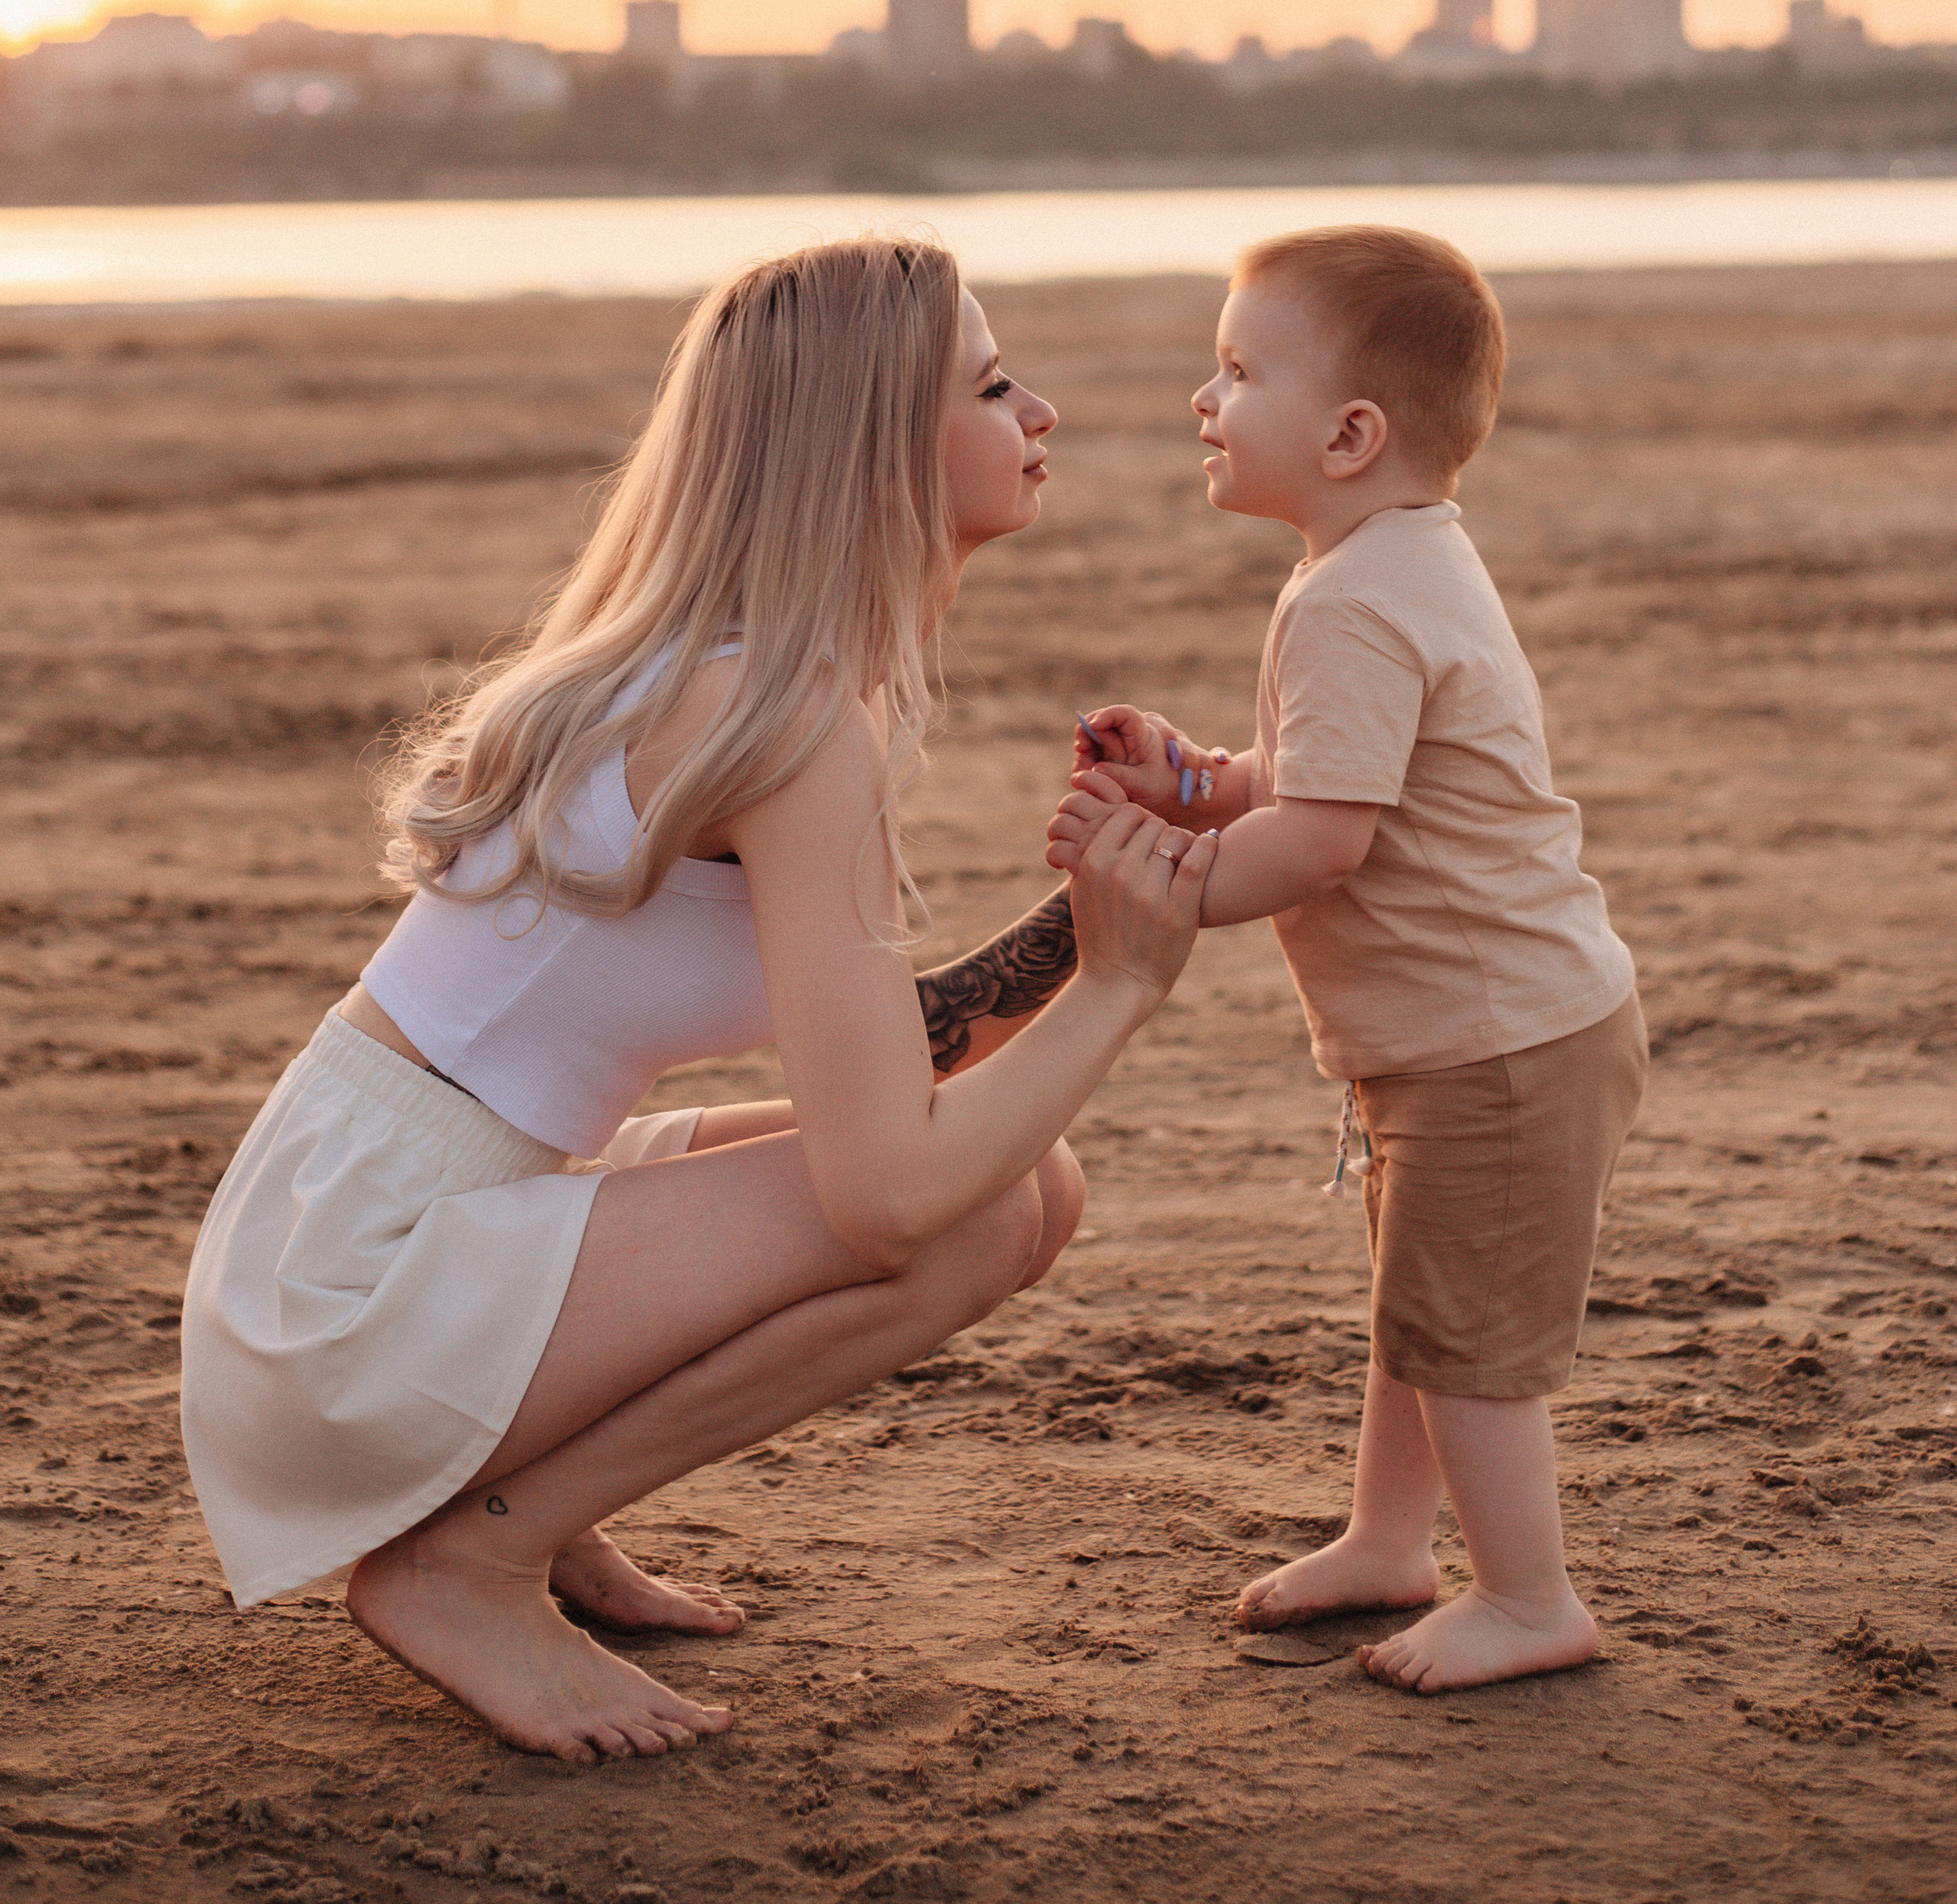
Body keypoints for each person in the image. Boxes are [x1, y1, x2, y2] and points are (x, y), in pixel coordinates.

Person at [180, 236, 1215, 1764]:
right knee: (979, 1209)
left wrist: (1092, 912)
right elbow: (887, 1194)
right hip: (348, 1303)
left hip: (371, 1224)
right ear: (872, 444)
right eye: (994, 387)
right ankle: (466, 1561)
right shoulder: (779, 716)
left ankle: (528, 1511)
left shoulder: (746, 680)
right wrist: (1122, 983)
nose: (1039, 413)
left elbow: (890, 1059)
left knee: (1020, 1184)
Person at [1047, 225, 1646, 1695]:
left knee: (1464, 1342)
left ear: (1349, 435)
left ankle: (1530, 1598)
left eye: (1239, 372)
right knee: (1417, 1314)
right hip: (1474, 1031)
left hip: (1495, 1044)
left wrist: (1160, 879)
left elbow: (1324, 842)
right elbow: (1323, 774)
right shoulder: (1391, 563)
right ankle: (1389, 1540)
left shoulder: (1355, 600)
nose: (1205, 398)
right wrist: (1196, 785)